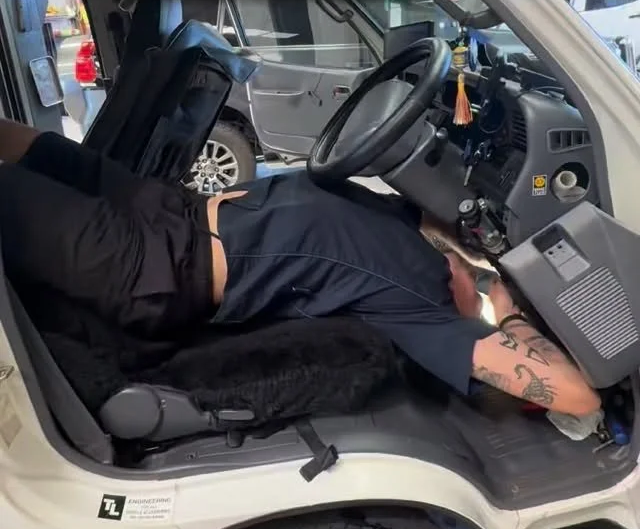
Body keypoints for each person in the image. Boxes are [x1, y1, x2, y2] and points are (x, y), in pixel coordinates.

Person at [0, 119, 600, 418]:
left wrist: (509, 312)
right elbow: (443, 218)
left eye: (487, 297)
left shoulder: (420, 309)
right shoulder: (414, 235)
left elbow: (577, 397)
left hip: (154, 263)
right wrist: (477, 250)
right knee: (41, 148)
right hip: (166, 209)